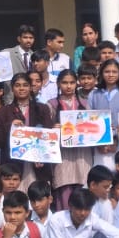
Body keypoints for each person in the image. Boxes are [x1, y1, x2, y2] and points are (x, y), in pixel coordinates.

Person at [0, 73, 55, 189]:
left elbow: (48, 136)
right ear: (12, 88)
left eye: (25, 85)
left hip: (38, 164)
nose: (21, 88)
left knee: (38, 196)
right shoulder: (2, 112)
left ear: (30, 87)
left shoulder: (42, 109)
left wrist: (42, 156)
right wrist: (9, 127)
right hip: (13, 165)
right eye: (17, 85)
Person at [47, 70, 90, 210]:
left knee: (82, 193)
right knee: (64, 194)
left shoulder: (85, 104)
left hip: (82, 156)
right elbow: (46, 132)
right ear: (58, 84)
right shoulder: (51, 104)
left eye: (72, 82)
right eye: (65, 83)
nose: (68, 86)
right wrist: (53, 128)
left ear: (76, 84)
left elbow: (93, 129)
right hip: (62, 156)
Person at [88, 60, 119, 169]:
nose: (110, 75)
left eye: (114, 72)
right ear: (101, 73)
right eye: (107, 72)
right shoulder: (93, 94)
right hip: (100, 146)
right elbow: (89, 120)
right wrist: (99, 144)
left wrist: (116, 139)